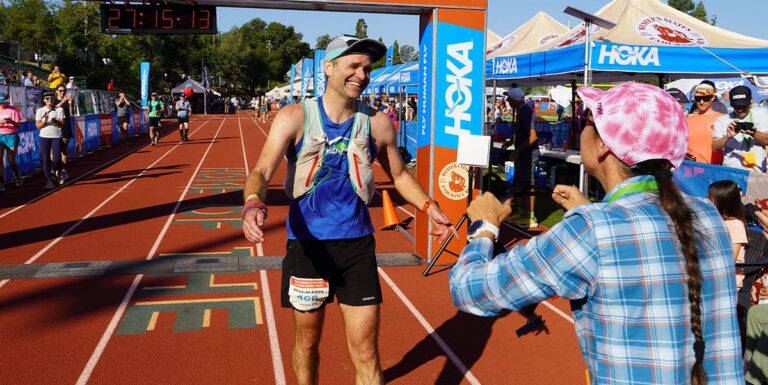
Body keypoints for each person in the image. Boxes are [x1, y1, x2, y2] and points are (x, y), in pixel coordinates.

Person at [450, 82, 743, 384]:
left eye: (587, 122)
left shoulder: (592, 229)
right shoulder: (706, 214)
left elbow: (471, 291)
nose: (582, 130)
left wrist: (483, 229)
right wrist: (592, 209)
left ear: (603, 144)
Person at [241, 35, 457, 385]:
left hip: (357, 248)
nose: (362, 74)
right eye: (353, 65)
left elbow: (399, 175)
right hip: (308, 247)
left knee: (367, 352)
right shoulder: (295, 116)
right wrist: (253, 202)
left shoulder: (377, 123)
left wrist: (428, 206)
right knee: (307, 344)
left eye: (367, 68)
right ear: (329, 68)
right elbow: (262, 171)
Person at [713, 85, 768, 172]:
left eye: (743, 106)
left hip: (756, 172)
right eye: (736, 106)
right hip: (731, 171)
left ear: (751, 100)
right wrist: (727, 137)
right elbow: (715, 148)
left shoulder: (761, 113)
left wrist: (753, 133)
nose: (740, 110)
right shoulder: (722, 119)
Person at [506, 87, 539, 229]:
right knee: (519, 183)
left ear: (514, 100)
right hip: (523, 154)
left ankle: (531, 217)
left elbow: (532, 137)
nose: (507, 101)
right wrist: (511, 141)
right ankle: (521, 213)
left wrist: (518, 151)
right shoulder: (520, 111)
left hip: (528, 155)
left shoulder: (526, 112)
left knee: (528, 185)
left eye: (509, 99)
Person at [686, 82, 724, 164]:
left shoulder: (722, 119)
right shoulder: (688, 119)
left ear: (713, 97)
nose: (701, 102)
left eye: (705, 98)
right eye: (698, 98)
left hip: (714, 169)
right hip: (691, 169)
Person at [35, 91, 65, 190]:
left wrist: (55, 121)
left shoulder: (59, 109)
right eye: (47, 99)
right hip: (44, 136)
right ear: (44, 100)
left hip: (56, 136)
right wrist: (44, 121)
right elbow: (38, 126)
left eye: (51, 98)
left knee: (56, 158)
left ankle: (57, 170)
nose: (49, 100)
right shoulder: (40, 110)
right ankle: (49, 180)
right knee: (45, 159)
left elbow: (62, 124)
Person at [0, 92, 24, 191]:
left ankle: (17, 175)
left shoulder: (13, 110)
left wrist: (11, 121)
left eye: (4, 102)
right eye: (1, 103)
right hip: (0, 135)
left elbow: (18, 125)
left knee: (11, 161)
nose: (3, 104)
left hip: (11, 136)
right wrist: (1, 122)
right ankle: (1, 182)